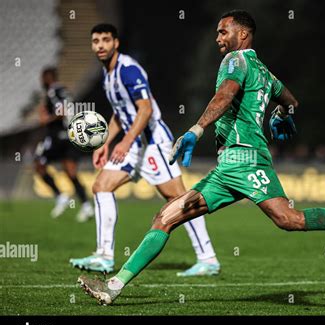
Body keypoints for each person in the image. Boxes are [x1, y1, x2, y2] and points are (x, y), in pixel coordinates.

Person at [78, 11, 325, 305]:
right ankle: (112, 287)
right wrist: (281, 115)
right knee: (171, 217)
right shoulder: (264, 71)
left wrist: (196, 129)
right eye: (216, 32)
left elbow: (225, 95)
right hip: (232, 168)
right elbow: (291, 101)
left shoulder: (235, 61)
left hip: (245, 162)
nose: (218, 38)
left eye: (223, 31)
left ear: (243, 34)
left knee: (286, 219)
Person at [70, 24, 220, 276]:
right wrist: (106, 143)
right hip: (133, 145)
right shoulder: (107, 74)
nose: (100, 45)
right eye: (96, 41)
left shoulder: (128, 70)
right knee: (101, 186)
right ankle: (104, 256)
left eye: (106, 40)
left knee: (179, 200)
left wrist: (126, 141)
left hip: (152, 144)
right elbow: (121, 111)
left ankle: (208, 259)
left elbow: (146, 109)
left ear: (116, 43)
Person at [34, 67, 94, 222]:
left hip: (57, 136)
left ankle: (61, 196)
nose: (41, 81)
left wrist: (48, 118)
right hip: (70, 135)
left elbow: (61, 111)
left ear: (48, 78)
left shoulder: (53, 91)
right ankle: (86, 206)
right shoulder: (64, 90)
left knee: (39, 163)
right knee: (71, 172)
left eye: (43, 78)